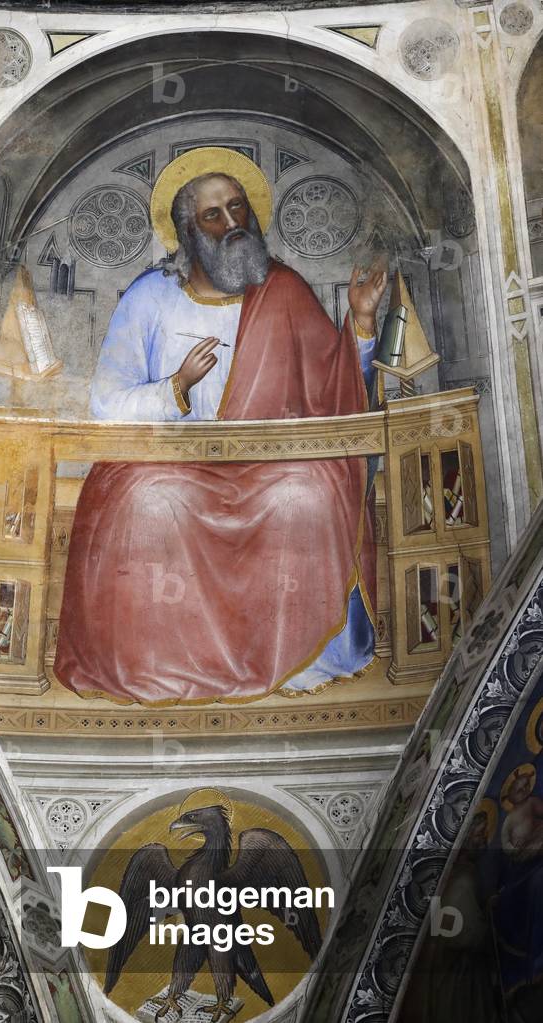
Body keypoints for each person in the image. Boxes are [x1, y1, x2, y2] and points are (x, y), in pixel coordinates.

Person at [54, 147, 387, 705]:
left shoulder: (283, 291)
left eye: (238, 208)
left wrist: (362, 321)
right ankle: (164, 664)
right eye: (213, 215)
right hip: (169, 464)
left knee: (306, 495)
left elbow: (337, 390)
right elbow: (106, 403)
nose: (232, 224)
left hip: (267, 467)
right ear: (188, 231)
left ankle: (295, 660)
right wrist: (176, 387)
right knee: (150, 501)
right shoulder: (149, 297)